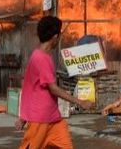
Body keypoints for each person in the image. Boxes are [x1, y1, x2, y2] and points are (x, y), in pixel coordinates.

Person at [18, 16, 94, 149]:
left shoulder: (43, 56)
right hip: (40, 120)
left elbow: (30, 89)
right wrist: (80, 102)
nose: (59, 39)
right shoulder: (40, 58)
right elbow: (53, 88)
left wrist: (24, 116)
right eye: (59, 35)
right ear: (55, 37)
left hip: (54, 119)